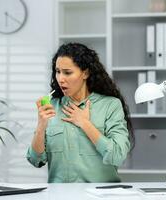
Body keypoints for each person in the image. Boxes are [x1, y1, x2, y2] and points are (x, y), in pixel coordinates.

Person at [26, 43, 134, 183]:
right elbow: (35, 160)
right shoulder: (52, 107)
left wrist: (85, 123)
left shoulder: (110, 105)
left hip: (101, 195)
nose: (60, 79)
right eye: (57, 71)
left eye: (67, 72)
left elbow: (117, 155)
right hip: (60, 195)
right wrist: (41, 126)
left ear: (85, 73)